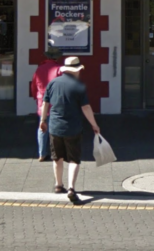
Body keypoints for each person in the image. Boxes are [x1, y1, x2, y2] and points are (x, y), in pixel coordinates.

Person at [40, 55, 99, 204]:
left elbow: (45, 104)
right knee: (74, 159)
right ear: (77, 70)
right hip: (73, 128)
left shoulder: (52, 83)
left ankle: (58, 185)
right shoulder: (79, 86)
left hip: (55, 127)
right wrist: (94, 124)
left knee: (57, 157)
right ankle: (72, 188)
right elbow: (85, 108)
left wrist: (43, 121)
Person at [32, 46, 63, 161]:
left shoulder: (39, 69)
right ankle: (55, 151)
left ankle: (42, 153)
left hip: (42, 101)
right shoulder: (59, 69)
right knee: (55, 128)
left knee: (42, 126)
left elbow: (34, 85)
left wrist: (36, 96)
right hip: (56, 102)